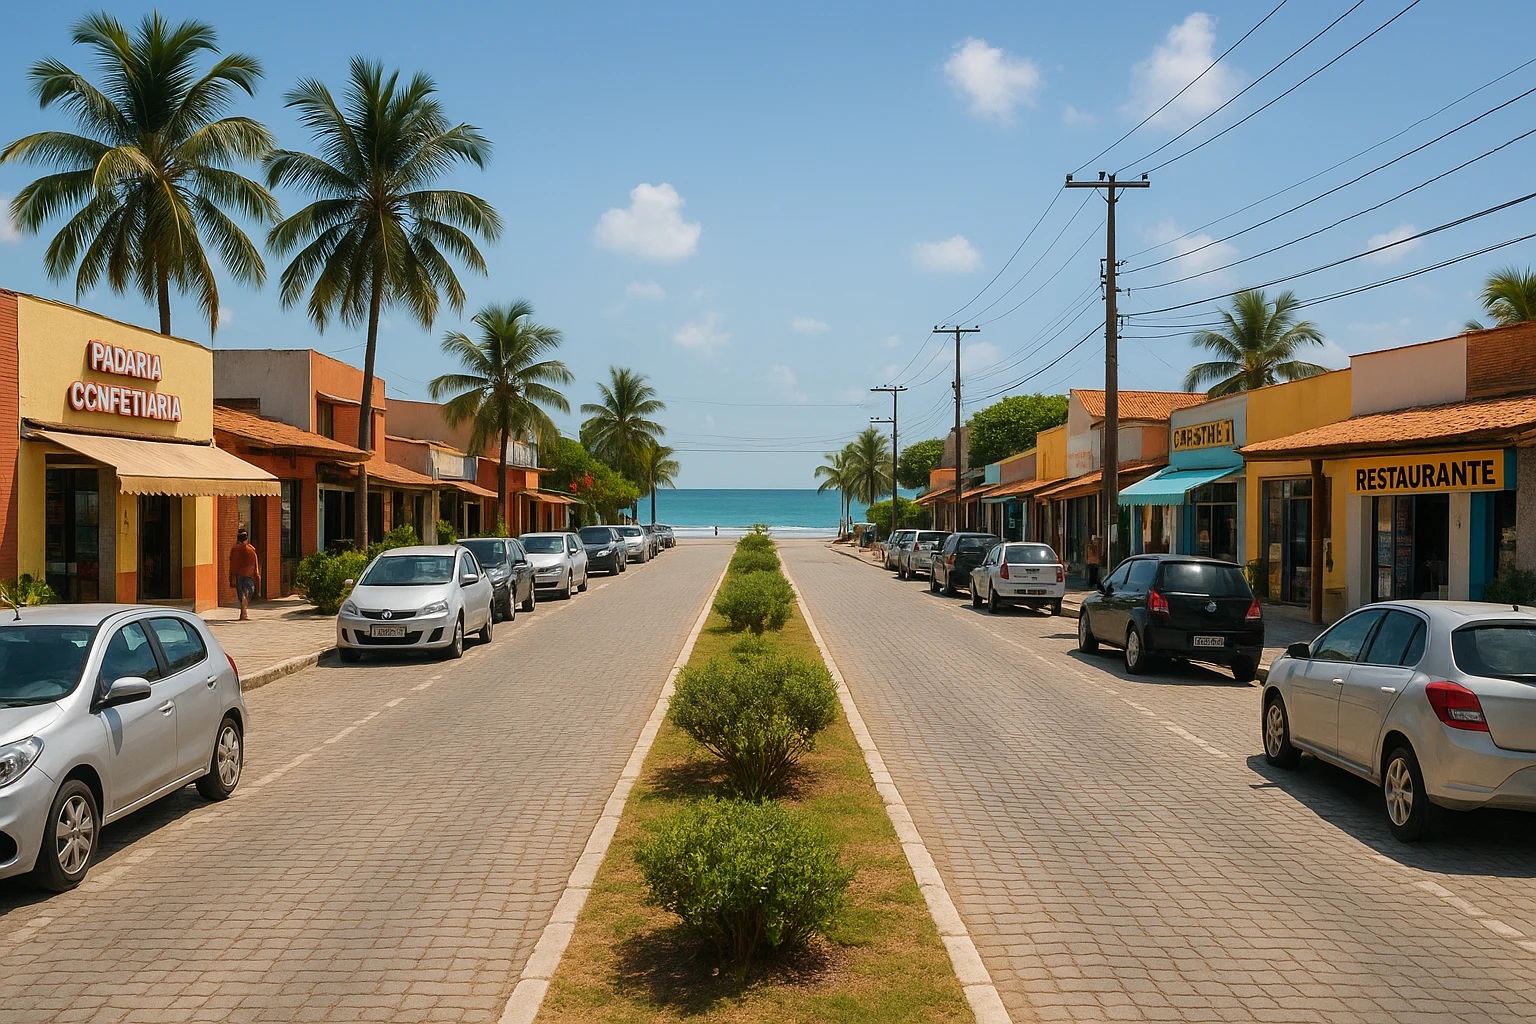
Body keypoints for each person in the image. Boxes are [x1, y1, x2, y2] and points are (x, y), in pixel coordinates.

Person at [229, 528, 261, 621]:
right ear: (246, 538)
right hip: (249, 575)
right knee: (247, 593)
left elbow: (232, 563)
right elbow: (255, 563)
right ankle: (244, 612)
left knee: (241, 594)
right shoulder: (251, 549)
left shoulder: (234, 549)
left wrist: (232, 576)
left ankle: (243, 612)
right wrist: (257, 575)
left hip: (238, 575)